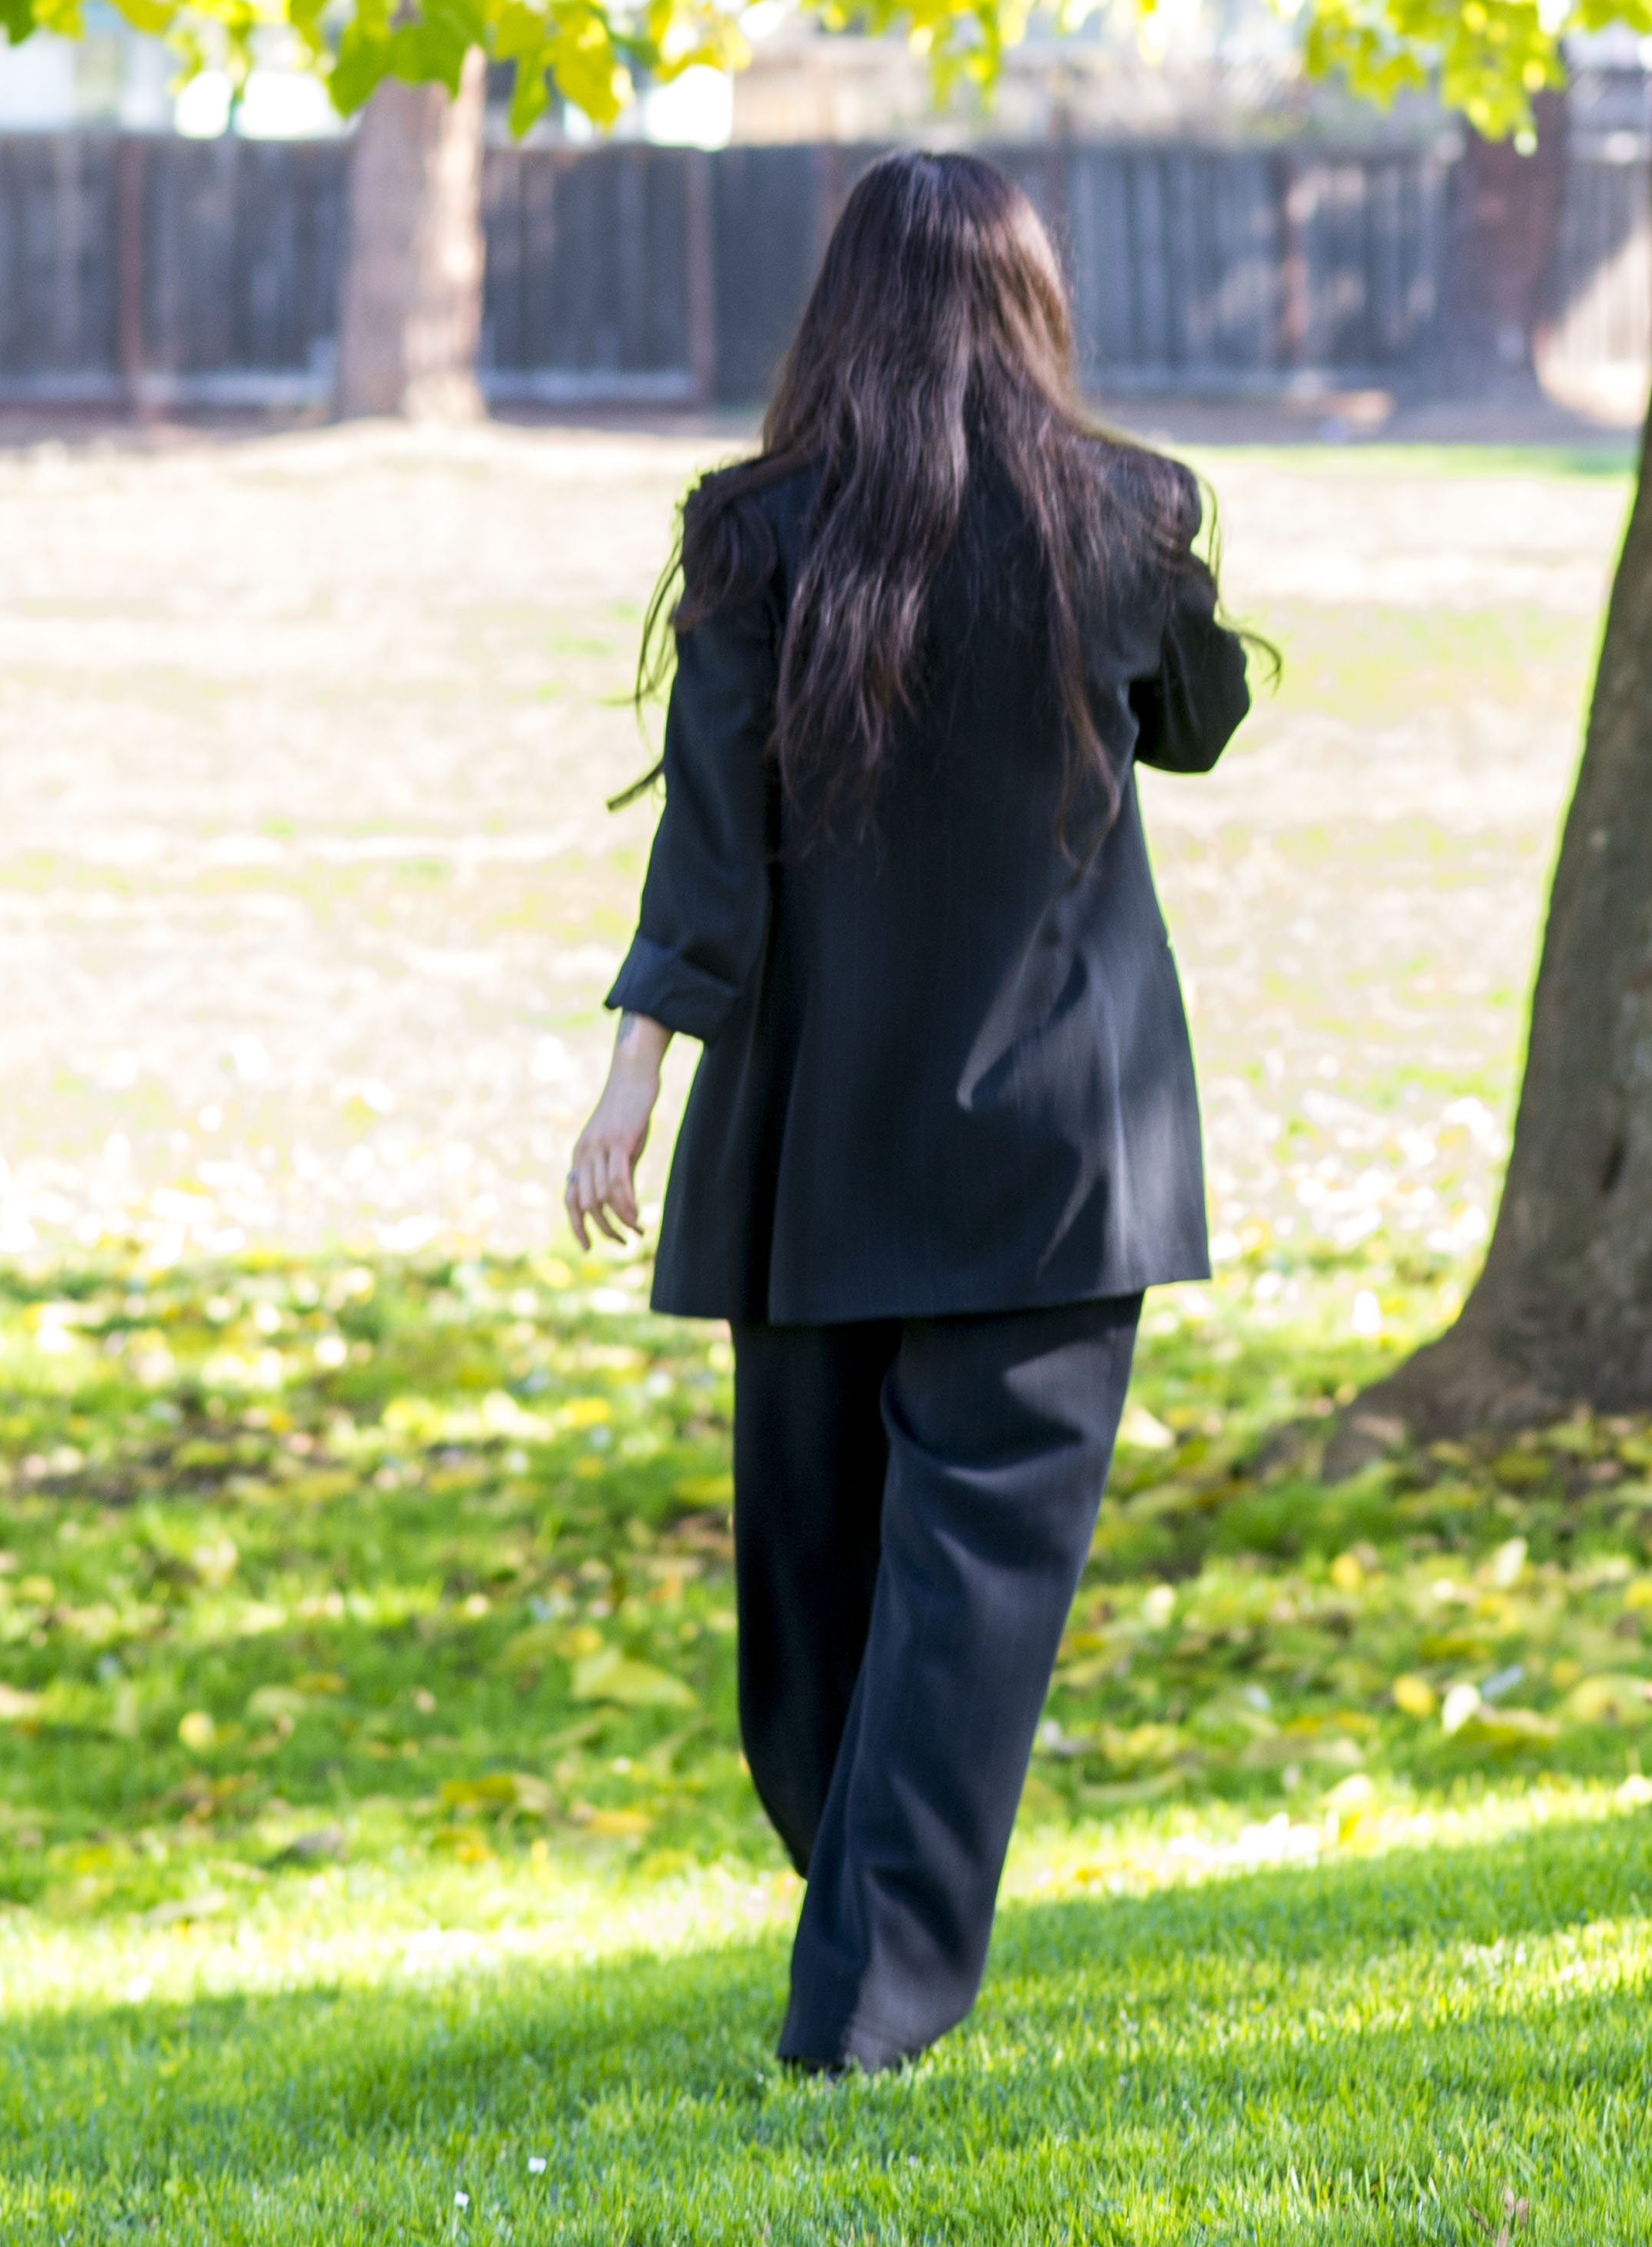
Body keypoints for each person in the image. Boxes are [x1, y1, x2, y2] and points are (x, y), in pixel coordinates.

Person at [560, 149, 1254, 2076]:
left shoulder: (1023, 521)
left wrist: (634, 1074)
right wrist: (634, 1066)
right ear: (1028, 303)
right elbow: (722, 844)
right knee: (831, 1621)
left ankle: (860, 2010)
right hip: (978, 1139)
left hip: (915, 1148)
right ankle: (874, 1917)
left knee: (907, 1601)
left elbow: (1180, 716)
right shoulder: (818, 536)